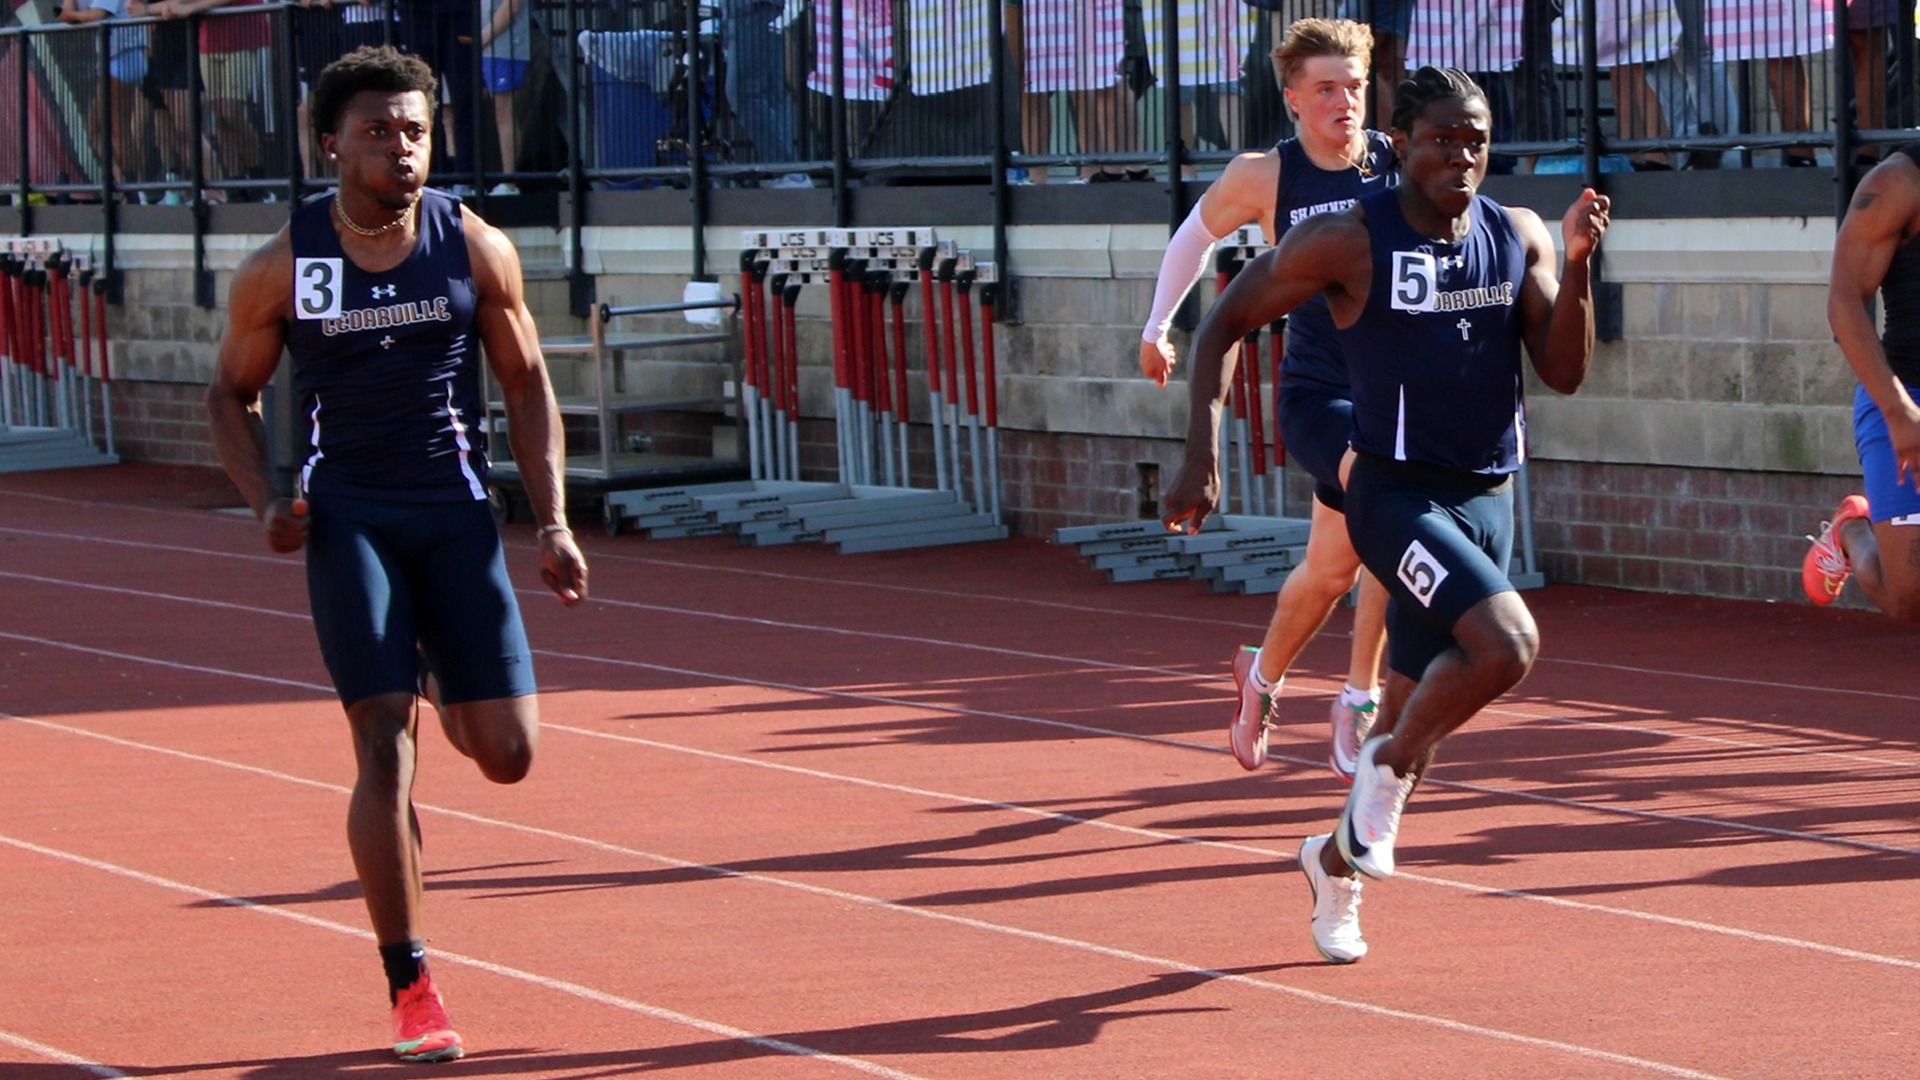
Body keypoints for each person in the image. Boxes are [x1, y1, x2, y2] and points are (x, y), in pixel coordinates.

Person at [1161, 66, 1609, 963]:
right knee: (1506, 646)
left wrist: (1581, 262)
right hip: (1395, 494)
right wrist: (1200, 457)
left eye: (1476, 140)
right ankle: (1385, 770)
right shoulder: (1349, 237)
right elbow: (1223, 325)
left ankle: (1335, 866)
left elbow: (1563, 372)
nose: (1462, 156)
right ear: (1401, 141)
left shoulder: (1516, 235)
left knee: (1421, 705)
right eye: (1444, 138)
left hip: (1488, 494)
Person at [203, 45, 587, 1060]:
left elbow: (528, 381)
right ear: (331, 142)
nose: (401, 149)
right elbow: (229, 396)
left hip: (453, 516)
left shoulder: (471, 246)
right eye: (378, 132)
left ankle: (427, 654)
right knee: (384, 742)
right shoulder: (286, 263)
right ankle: (411, 982)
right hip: (351, 522)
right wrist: (265, 501)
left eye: (415, 130)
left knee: (507, 756)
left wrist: (551, 521)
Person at [1138, 17, 1394, 781]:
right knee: (1392, 497)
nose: (1343, 103)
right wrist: (1158, 326)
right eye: (1325, 90)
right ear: (1293, 99)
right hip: (1318, 393)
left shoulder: (1394, 159)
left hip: (1389, 390)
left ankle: (1260, 677)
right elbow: (1194, 236)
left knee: (1328, 573)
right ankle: (1360, 696)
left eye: (1353, 88)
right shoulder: (1266, 176)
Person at [1805, 143, 1920, 620]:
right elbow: (1844, 301)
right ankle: (1853, 531)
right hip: (1909, 394)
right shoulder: (1897, 183)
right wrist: (1898, 411)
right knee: (1909, 598)